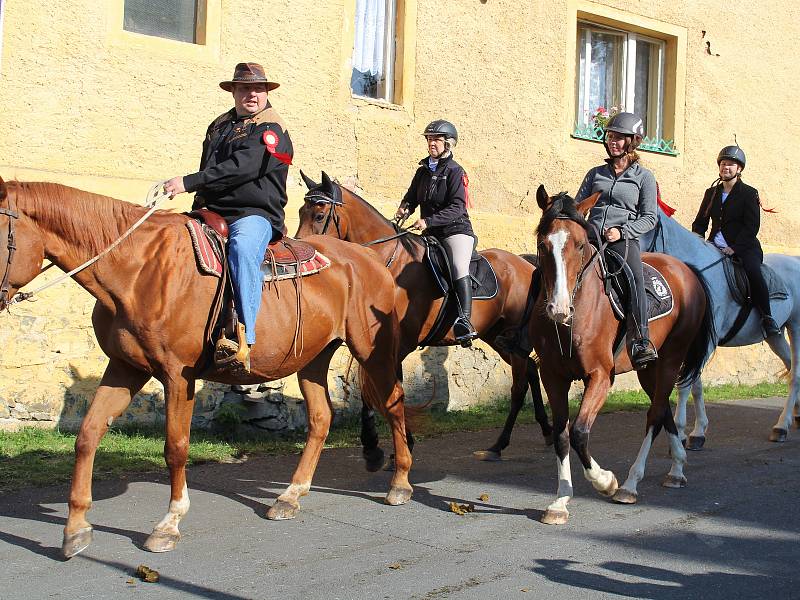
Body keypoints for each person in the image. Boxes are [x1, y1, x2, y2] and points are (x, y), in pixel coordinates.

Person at [164, 62, 294, 372]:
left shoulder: (271, 127)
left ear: (266, 93)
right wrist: (196, 203)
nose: (253, 94)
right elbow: (209, 166)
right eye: (245, 88)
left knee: (241, 248)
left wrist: (187, 182)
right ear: (233, 91)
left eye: (259, 88)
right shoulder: (219, 126)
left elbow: (243, 167)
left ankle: (244, 339)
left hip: (254, 213)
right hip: (212, 211)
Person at [575, 112, 659, 369]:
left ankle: (641, 340)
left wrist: (622, 232)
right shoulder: (595, 173)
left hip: (622, 239)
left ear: (632, 143)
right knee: (551, 267)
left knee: (634, 278)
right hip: (592, 235)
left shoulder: (644, 177)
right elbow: (579, 207)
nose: (613, 141)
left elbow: (649, 218)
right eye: (610, 136)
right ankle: (524, 334)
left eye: (619, 138)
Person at [395, 119, 478, 347]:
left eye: (436, 140)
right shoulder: (422, 171)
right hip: (431, 233)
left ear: (448, 144)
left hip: (455, 230)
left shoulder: (455, 171)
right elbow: (412, 196)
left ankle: (464, 321)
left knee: (459, 266)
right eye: (429, 139)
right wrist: (404, 208)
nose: (431, 143)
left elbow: (458, 206)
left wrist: (428, 220)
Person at [691, 145, 780, 337]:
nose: (726, 167)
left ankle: (767, 317)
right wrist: (698, 240)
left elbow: (752, 227)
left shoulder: (749, 193)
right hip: (714, 246)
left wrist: (734, 248)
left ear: (739, 169)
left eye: (731, 164)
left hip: (745, 248)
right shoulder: (711, 193)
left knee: (754, 272)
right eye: (723, 164)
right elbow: (700, 223)